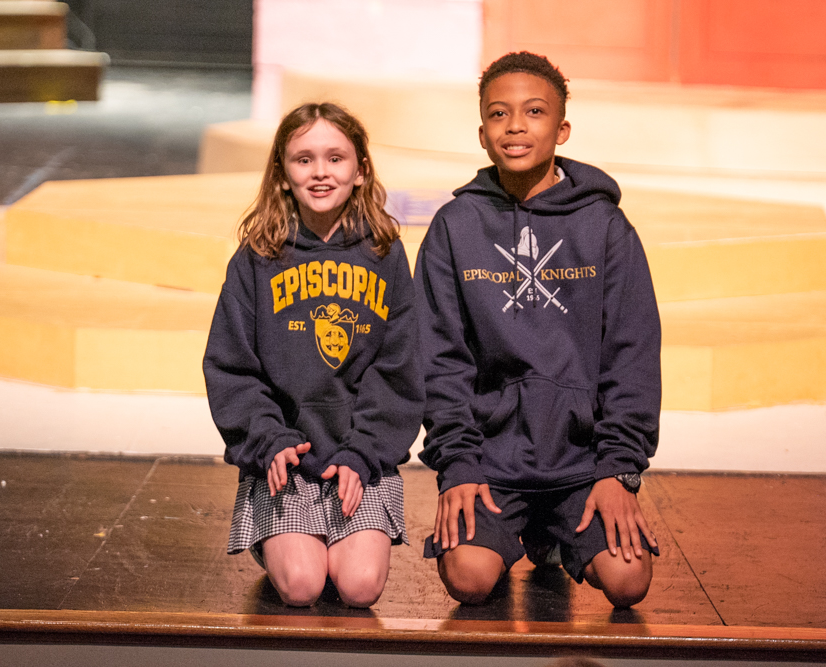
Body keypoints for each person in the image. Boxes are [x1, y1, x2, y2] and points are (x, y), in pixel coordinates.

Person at [415, 51, 661, 608]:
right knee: (470, 579)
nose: (517, 126)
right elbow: (438, 357)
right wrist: (458, 462)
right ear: (482, 133)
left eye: (534, 111)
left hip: (580, 462)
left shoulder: (605, 227)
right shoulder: (456, 227)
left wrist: (618, 469)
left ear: (562, 128)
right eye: (499, 115)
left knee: (628, 582)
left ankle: (553, 538)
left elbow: (632, 352)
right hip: (492, 459)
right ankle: (510, 541)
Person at [203, 102, 424, 608]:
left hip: (360, 461)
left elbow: (399, 371)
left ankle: (316, 541)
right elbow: (231, 365)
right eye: (303, 159)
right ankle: (280, 541)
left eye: (335, 158)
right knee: (303, 586)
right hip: (287, 462)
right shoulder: (258, 257)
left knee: (359, 587)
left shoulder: (386, 255)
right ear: (281, 174)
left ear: (361, 170)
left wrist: (364, 451)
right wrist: (267, 439)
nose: (320, 172)